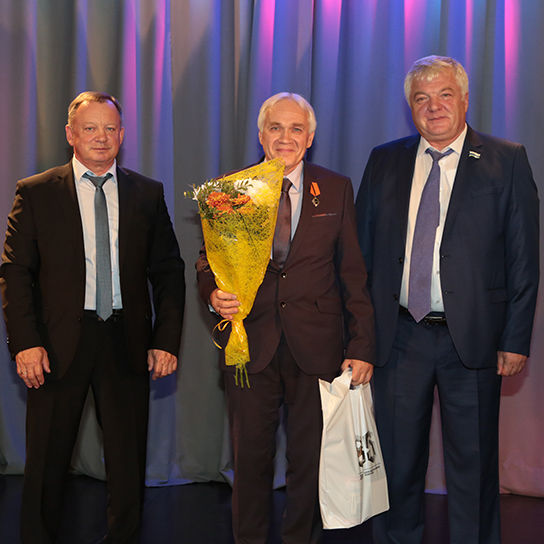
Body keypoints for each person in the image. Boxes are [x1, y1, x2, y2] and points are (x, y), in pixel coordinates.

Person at [355, 56, 539, 544]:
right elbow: (360, 255)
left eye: (444, 95)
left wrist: (515, 338)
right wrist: (359, 337)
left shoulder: (506, 160)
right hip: (398, 338)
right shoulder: (384, 160)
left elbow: (524, 259)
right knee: (396, 465)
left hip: (474, 341)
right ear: (410, 107)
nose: (433, 107)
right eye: (421, 98)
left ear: (464, 99)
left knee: (473, 468)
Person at [0, 91, 185, 544]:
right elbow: (15, 272)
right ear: (71, 134)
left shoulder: (147, 193)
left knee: (127, 466)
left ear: (122, 135)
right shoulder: (36, 192)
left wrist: (165, 340)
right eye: (90, 128)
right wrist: (25, 342)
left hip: (127, 343)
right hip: (54, 346)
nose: (101, 137)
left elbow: (168, 272)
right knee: (45, 465)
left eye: (109, 128)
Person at [196, 92, 375, 544]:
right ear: (261, 135)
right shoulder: (231, 189)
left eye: (296, 129)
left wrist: (361, 345)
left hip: (316, 347)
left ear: (310, 137)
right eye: (276, 128)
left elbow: (352, 272)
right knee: (249, 462)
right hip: (249, 344)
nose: (285, 138)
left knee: (309, 462)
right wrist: (213, 293)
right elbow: (207, 260)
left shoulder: (335, 188)